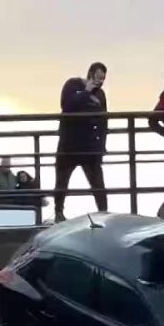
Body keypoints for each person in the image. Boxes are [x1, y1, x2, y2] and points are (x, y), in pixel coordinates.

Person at [55, 62, 109, 221]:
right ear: (91, 74)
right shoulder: (72, 85)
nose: (100, 81)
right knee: (62, 181)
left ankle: (104, 213)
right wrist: (86, 92)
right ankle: (59, 212)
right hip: (69, 144)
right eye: (98, 77)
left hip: (90, 146)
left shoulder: (101, 95)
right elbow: (67, 106)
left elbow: (104, 120)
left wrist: (102, 145)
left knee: (98, 184)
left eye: (103, 78)